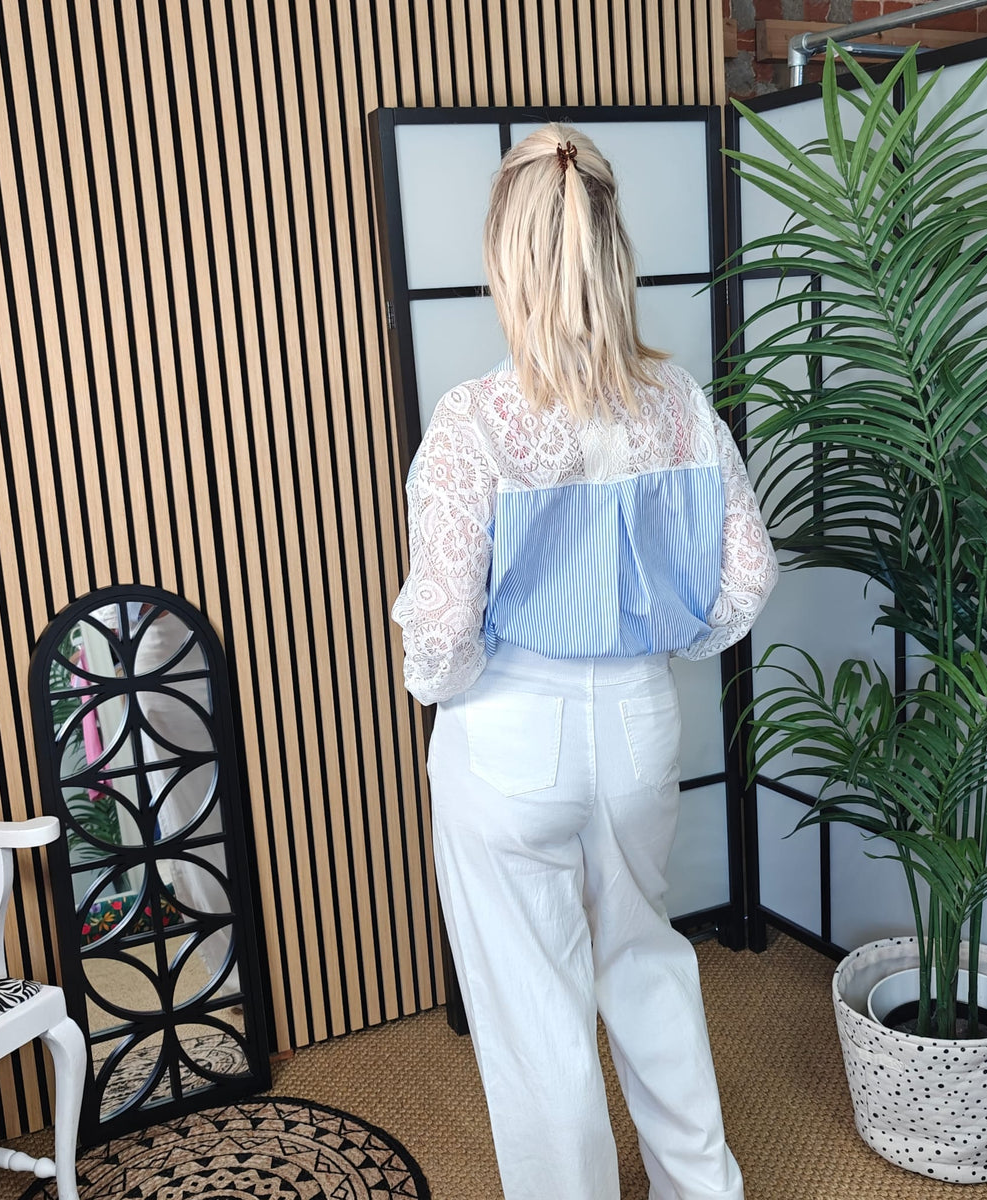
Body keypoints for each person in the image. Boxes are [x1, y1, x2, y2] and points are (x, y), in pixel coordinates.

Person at [391, 123, 777, 1200]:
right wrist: (663, 647)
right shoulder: (677, 402)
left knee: (537, 1014)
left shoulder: (474, 423)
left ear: (503, 257)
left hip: (510, 733)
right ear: (615, 246)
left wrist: (455, 691)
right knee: (648, 963)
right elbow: (749, 577)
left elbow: (437, 640)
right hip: (641, 725)